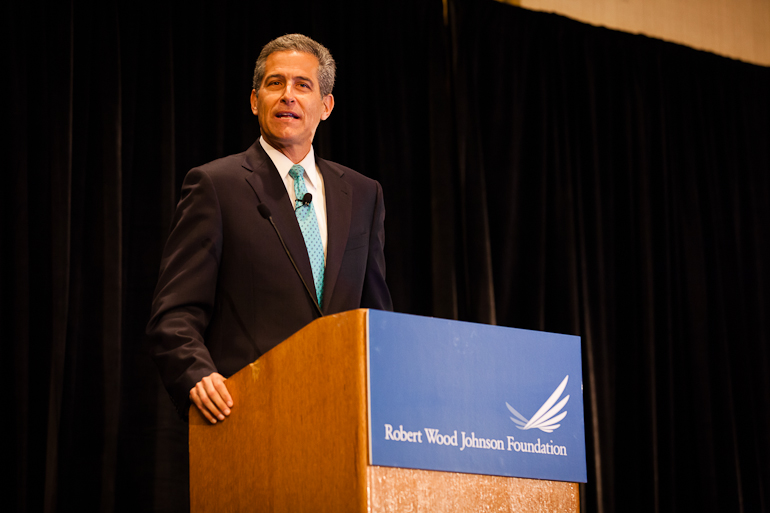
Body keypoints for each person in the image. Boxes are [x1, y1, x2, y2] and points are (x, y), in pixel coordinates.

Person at [147, 34, 392, 424]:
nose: (287, 96)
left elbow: (376, 316)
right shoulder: (216, 185)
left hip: (344, 417)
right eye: (275, 83)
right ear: (254, 99)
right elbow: (174, 313)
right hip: (248, 415)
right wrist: (196, 374)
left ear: (326, 106)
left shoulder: (363, 194)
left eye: (302, 85)